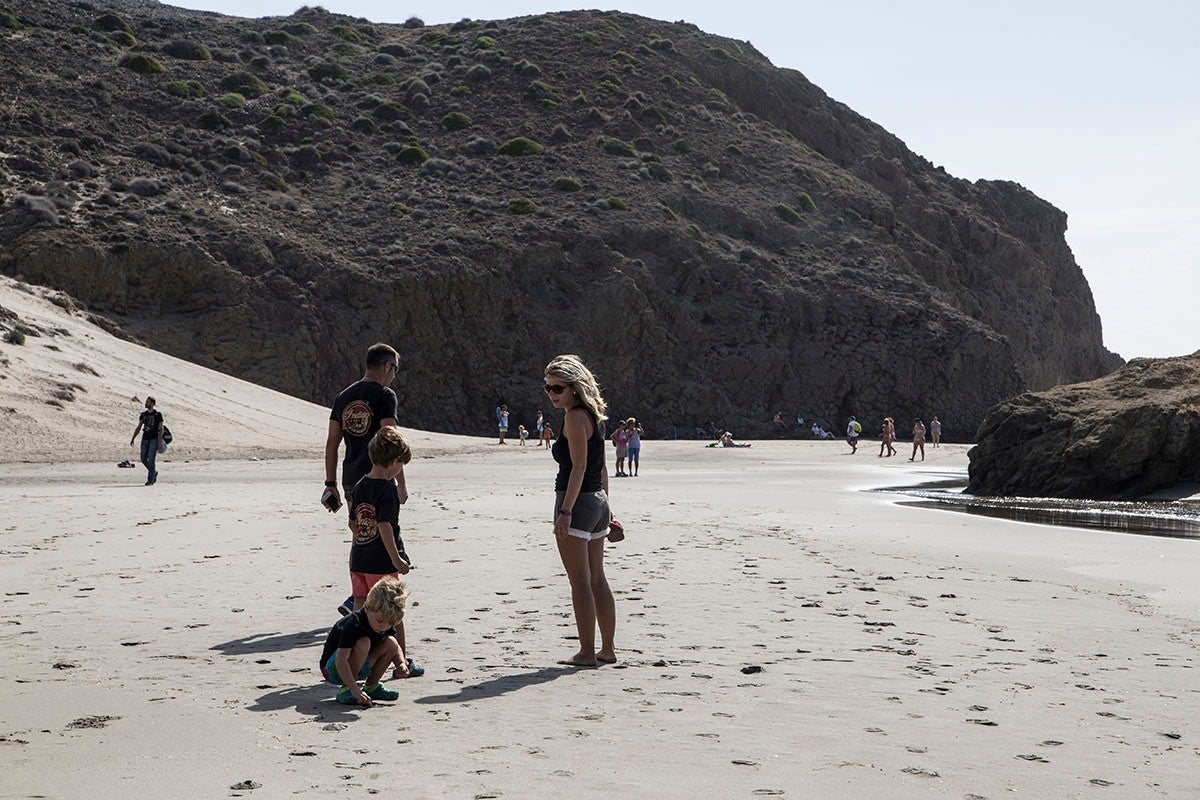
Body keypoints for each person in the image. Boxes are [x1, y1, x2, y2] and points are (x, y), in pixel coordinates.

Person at [544, 354, 617, 667]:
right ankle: (608, 649)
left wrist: (566, 511)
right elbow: (600, 468)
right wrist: (608, 509)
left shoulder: (573, 418)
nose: (551, 394)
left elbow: (579, 467)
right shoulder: (592, 415)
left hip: (577, 502)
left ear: (574, 388)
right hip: (597, 500)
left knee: (580, 581)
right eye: (547, 388)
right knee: (597, 578)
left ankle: (587, 652)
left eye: (557, 388)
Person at [318, 576, 410, 707]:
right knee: (363, 642)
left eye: (389, 624)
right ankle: (346, 690)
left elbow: (395, 647)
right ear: (367, 608)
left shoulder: (384, 624)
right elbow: (341, 659)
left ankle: (372, 686)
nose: (383, 627)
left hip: (361, 663)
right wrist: (355, 689)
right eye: (379, 621)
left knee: (391, 642)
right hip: (333, 669)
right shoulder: (353, 623)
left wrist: (401, 663)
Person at [129, 396, 165, 485]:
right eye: (146, 402)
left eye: (148, 402)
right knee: (143, 458)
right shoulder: (143, 415)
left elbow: (161, 428)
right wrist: (133, 437)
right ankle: (154, 472)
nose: (146, 403)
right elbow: (139, 427)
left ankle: (150, 480)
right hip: (145, 438)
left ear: (152, 404)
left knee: (151, 459)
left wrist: (160, 441)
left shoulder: (157, 415)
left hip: (154, 439)